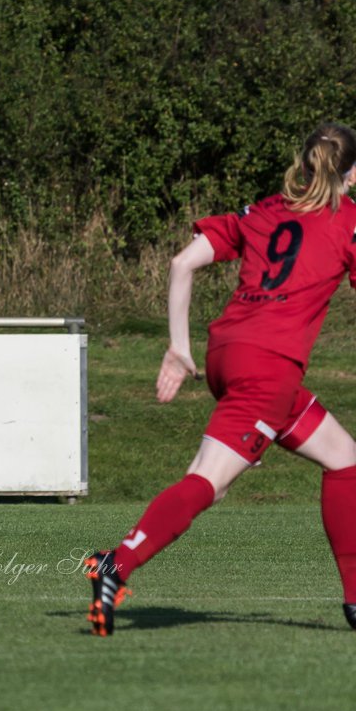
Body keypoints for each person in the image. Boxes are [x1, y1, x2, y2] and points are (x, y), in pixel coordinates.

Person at [85, 123, 356, 636]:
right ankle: (114, 564)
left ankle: (354, 598)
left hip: (226, 354)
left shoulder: (264, 211)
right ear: (352, 174)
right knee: (208, 481)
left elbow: (183, 262)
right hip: (268, 369)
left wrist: (178, 346)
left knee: (344, 458)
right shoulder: (349, 223)